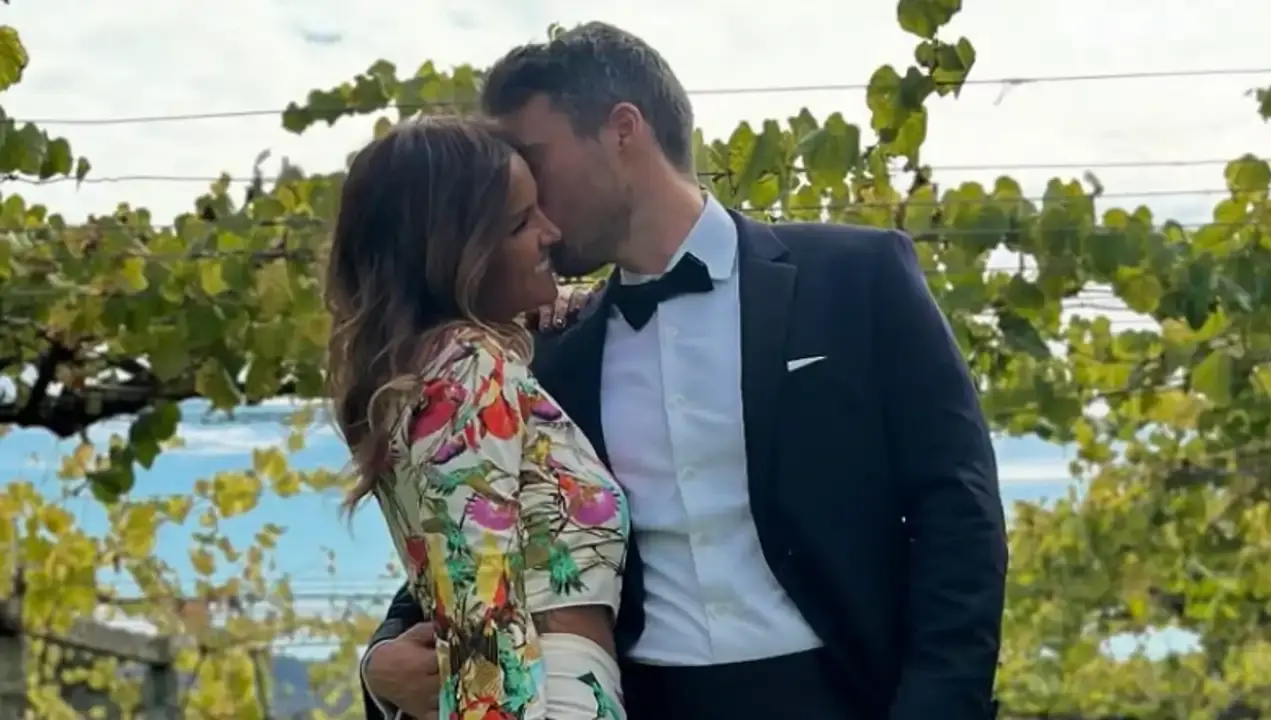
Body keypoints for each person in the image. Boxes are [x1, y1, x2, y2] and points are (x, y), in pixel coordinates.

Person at [362, 21, 1008, 720]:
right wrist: (380, 661)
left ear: (622, 131)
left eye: (531, 158)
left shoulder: (859, 275)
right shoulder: (551, 351)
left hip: (849, 694)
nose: (519, 192)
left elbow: (958, 508)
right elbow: (475, 528)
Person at [326, 118, 631, 719]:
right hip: (545, 699)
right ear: (456, 255)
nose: (551, 232)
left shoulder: (446, 369)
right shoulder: (467, 367)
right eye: (520, 223)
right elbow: (482, 618)